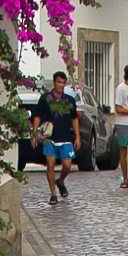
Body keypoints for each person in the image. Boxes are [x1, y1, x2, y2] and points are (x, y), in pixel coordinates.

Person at [31, 72, 81, 205]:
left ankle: (61, 181)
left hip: (65, 137)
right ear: (54, 82)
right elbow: (37, 117)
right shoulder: (45, 99)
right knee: (50, 165)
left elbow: (74, 118)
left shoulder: (69, 100)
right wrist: (34, 134)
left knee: (67, 165)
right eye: (59, 82)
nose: (61, 85)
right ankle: (53, 194)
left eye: (64, 83)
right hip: (49, 138)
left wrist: (78, 137)